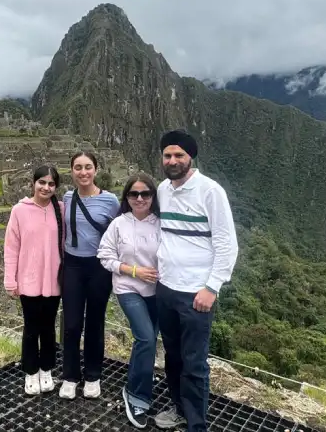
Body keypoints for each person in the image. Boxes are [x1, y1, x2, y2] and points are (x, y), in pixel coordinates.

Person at [152, 129, 239, 432]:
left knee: (195, 363)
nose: (172, 160)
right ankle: (178, 408)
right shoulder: (163, 189)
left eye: (178, 155)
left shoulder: (210, 191)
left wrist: (212, 287)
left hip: (196, 294)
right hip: (166, 289)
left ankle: (197, 424)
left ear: (191, 158)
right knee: (173, 357)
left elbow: (227, 244)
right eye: (167, 155)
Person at [97, 173, 162, 428]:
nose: (139, 198)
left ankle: (138, 379)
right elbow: (104, 255)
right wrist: (133, 270)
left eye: (145, 193)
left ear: (153, 197)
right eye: (134, 194)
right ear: (127, 197)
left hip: (156, 292)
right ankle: (136, 395)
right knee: (146, 338)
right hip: (127, 288)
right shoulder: (118, 225)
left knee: (145, 341)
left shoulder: (161, 224)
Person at [59, 151, 120, 400]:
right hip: (72, 265)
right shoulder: (67, 197)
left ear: (96, 169)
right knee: (72, 324)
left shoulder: (110, 201)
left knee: (95, 322)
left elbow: (119, 233)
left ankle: (93, 375)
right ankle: (70, 375)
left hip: (98, 267)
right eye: (77, 167)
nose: (83, 172)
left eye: (88, 167)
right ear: (72, 171)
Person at [3, 165, 65, 395]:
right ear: (33, 183)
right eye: (42, 182)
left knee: (48, 328)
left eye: (51, 184)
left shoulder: (60, 209)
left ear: (56, 187)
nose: (46, 187)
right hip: (28, 281)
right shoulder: (19, 210)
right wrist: (10, 280)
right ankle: (30, 372)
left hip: (53, 282)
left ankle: (47, 369)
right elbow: (11, 247)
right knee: (31, 329)